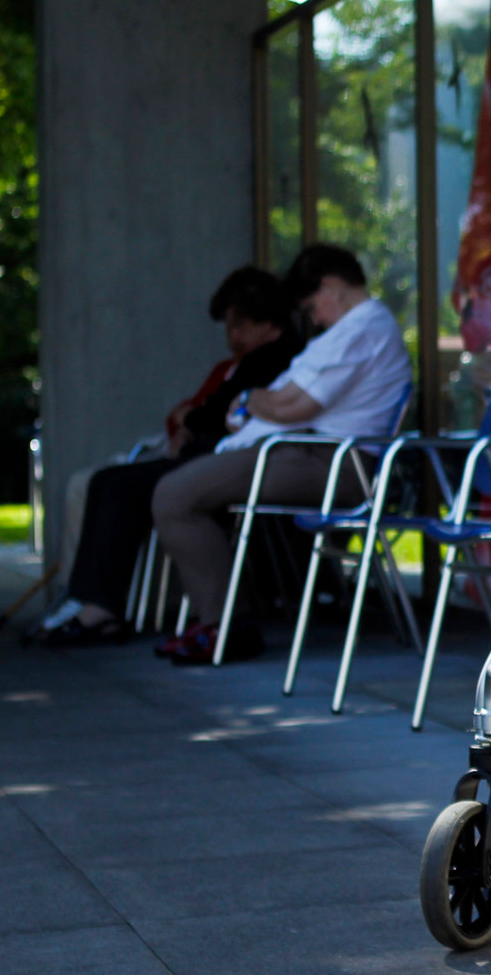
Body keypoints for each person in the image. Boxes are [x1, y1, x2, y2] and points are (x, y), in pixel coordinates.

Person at [151, 243, 412, 665]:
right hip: (313, 454)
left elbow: (293, 405)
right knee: (184, 490)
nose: (314, 319)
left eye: (312, 307)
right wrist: (262, 401)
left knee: (174, 495)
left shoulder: (362, 329)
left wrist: (252, 396)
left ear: (331, 287)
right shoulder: (358, 329)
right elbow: (278, 402)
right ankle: (220, 622)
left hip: (331, 462)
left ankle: (225, 627)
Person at [38, 267, 303, 646]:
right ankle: (91, 601)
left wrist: (194, 420)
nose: (233, 337)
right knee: (109, 481)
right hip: (216, 455)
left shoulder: (280, 358)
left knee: (128, 487)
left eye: (240, 326)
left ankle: (105, 609)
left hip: (238, 460)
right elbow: (214, 409)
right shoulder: (249, 361)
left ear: (268, 321)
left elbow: (221, 411)